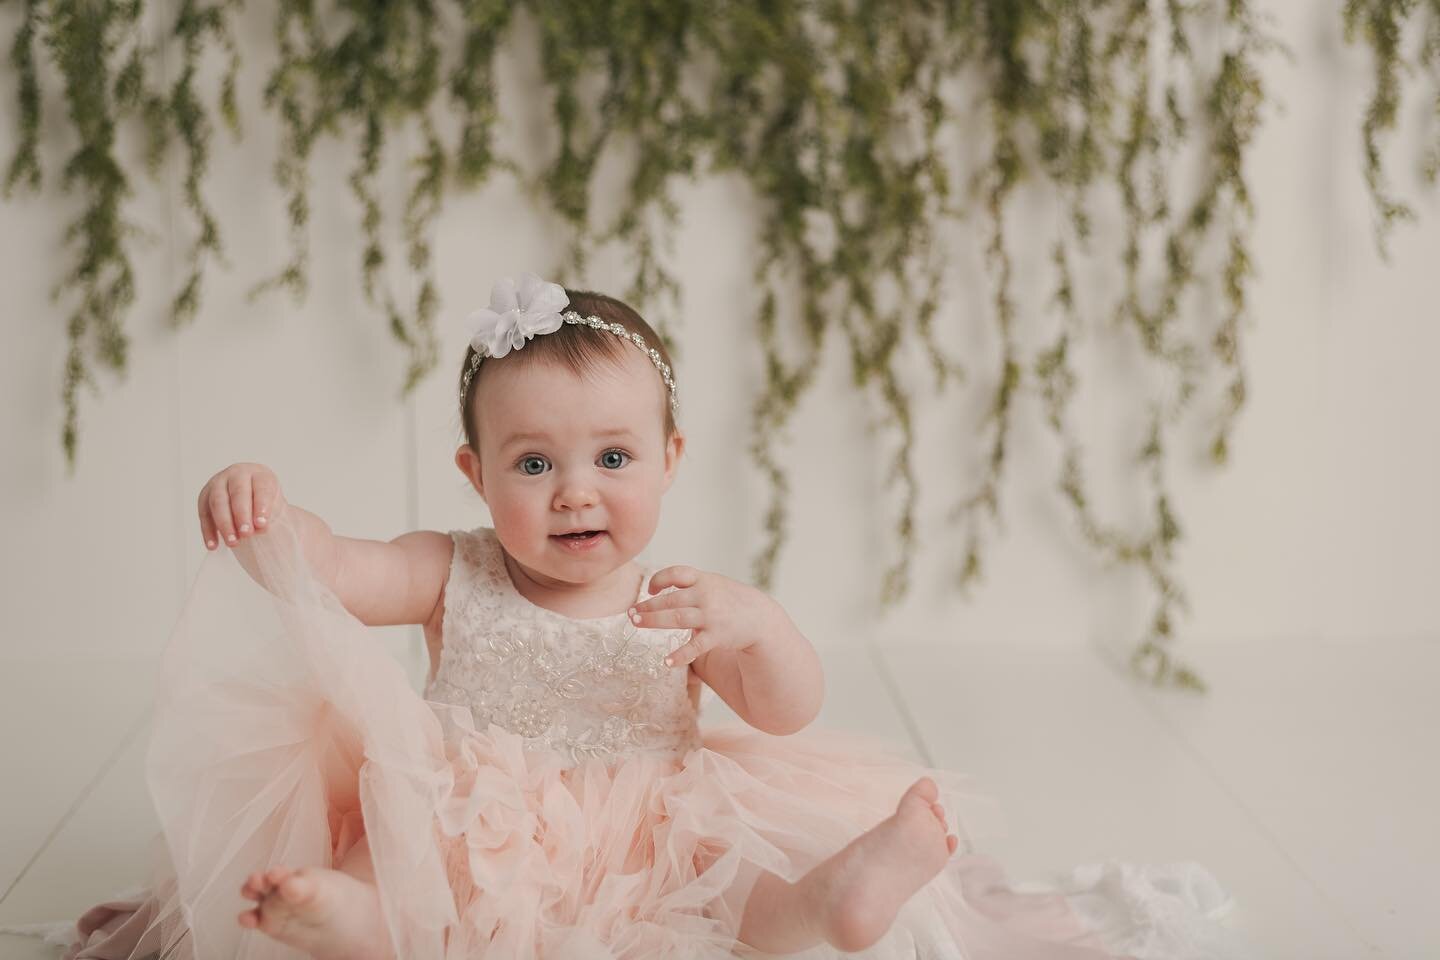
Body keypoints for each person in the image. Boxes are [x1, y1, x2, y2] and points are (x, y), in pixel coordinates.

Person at [45, 275, 1244, 959]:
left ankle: (826, 904)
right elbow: (334, 570)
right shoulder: (449, 566)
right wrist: (268, 516)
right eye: (532, 464)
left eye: (613, 455)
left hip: (654, 816)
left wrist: (755, 630)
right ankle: (361, 917)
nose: (575, 491)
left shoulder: (684, 603)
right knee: (395, 813)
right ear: (473, 477)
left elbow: (787, 711)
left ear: (669, 460)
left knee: (729, 886)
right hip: (478, 811)